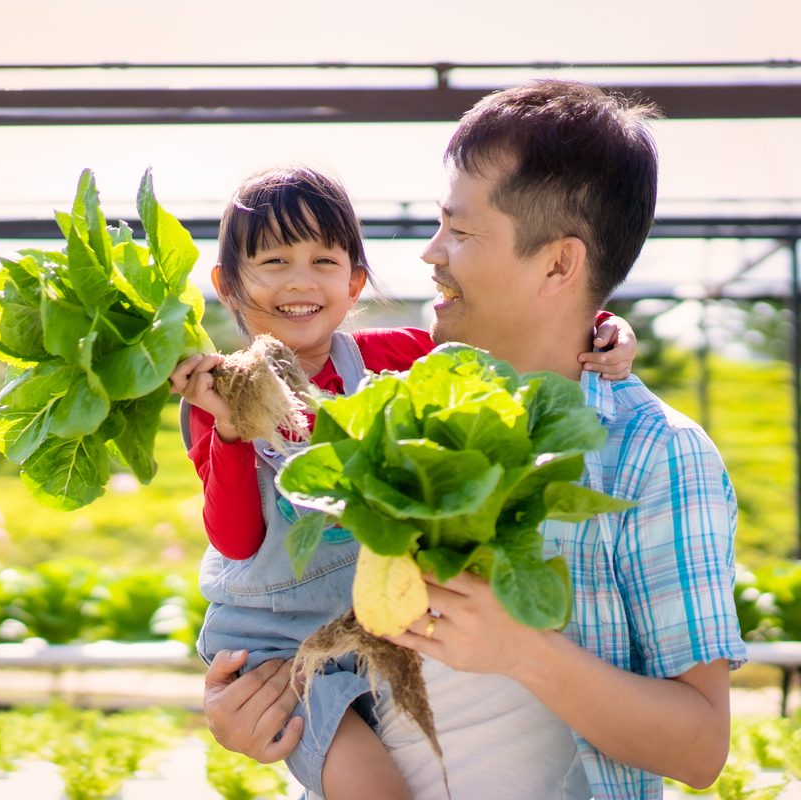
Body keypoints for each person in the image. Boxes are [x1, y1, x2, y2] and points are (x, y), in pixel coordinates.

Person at [201, 81, 747, 800]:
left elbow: (701, 747)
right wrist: (261, 712)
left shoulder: (655, 456)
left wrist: (522, 651)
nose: (431, 253)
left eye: (460, 231)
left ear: (558, 264)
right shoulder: (396, 409)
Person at [172, 164, 639, 799]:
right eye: (274, 261)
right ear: (227, 283)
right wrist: (230, 431)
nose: (300, 282)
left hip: (375, 620)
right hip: (279, 647)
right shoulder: (215, 392)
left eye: (324, 261)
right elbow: (235, 537)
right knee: (374, 786)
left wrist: (603, 328)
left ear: (355, 279)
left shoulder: (395, 356)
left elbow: (510, 351)